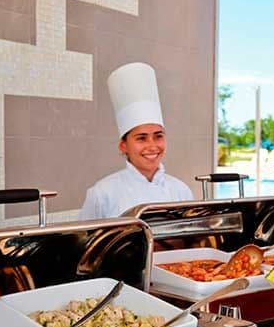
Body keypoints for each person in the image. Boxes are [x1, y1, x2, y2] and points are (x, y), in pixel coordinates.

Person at [78, 62, 193, 220]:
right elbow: (86, 243)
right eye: (141, 138)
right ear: (123, 145)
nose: (152, 146)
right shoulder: (102, 193)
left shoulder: (181, 191)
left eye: (158, 136)